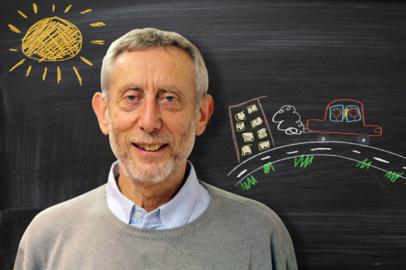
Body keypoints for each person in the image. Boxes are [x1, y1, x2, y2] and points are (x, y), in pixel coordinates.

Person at [14, 28, 297, 269]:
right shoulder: (47, 238)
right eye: (132, 97)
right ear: (104, 114)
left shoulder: (262, 235)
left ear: (201, 115)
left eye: (170, 98)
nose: (149, 122)